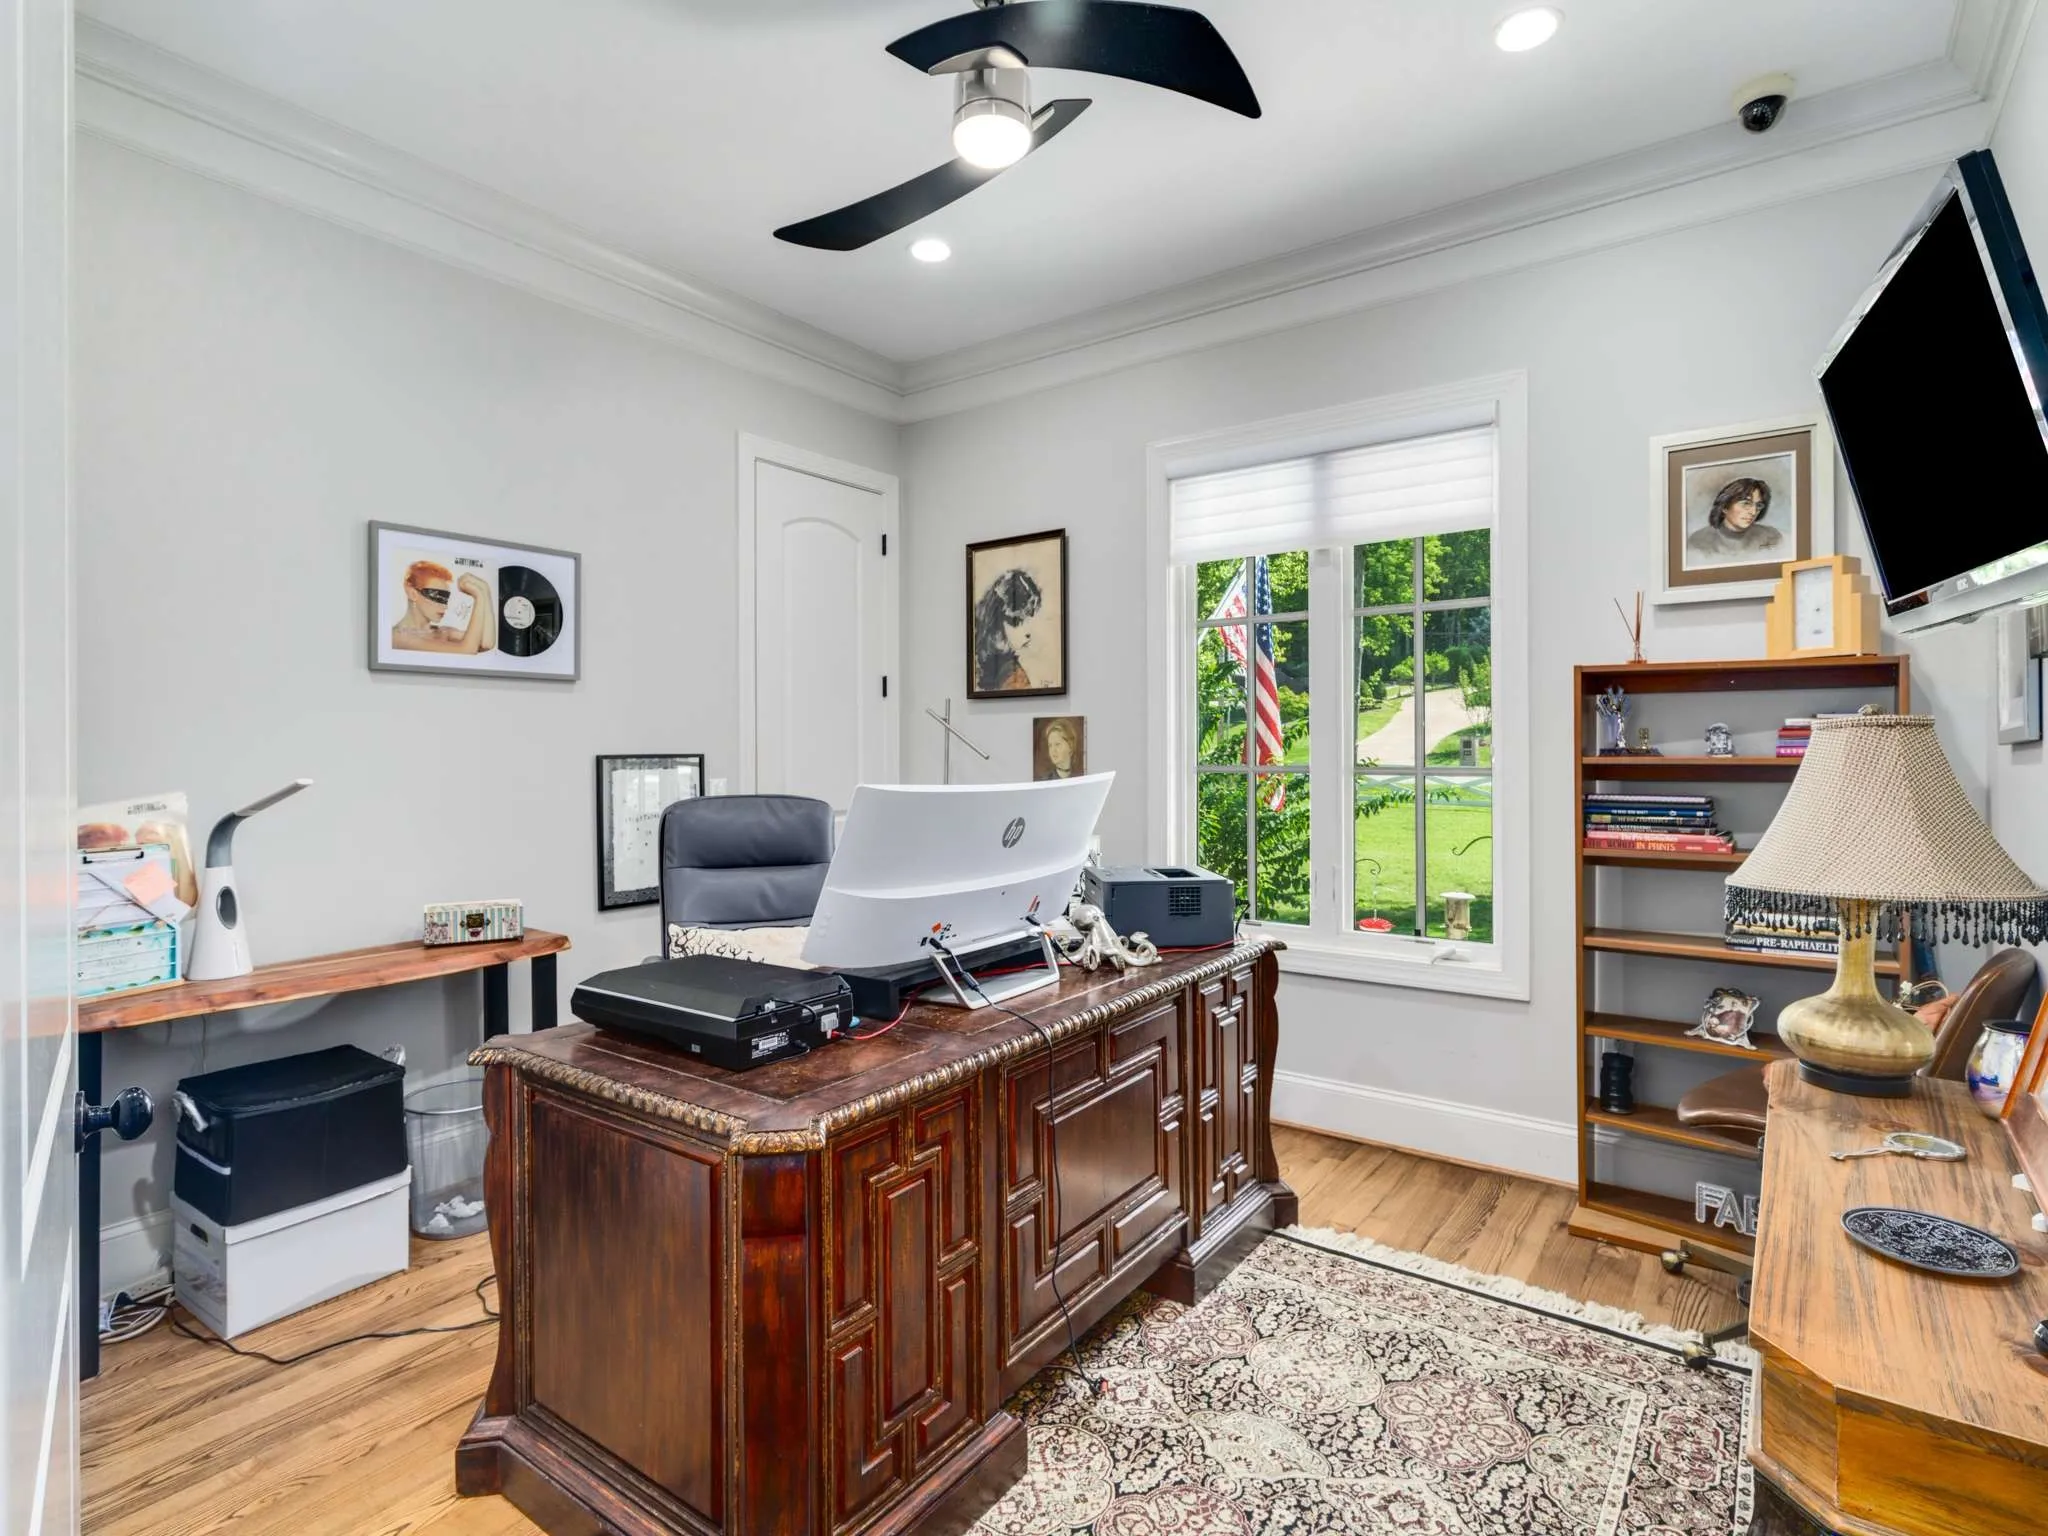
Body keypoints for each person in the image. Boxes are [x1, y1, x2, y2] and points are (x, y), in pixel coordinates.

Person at [392, 558, 496, 654]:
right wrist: (478, 595)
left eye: (445, 599)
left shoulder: (444, 632)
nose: (444, 606)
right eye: (437, 596)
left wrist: (485, 590)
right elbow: (467, 650)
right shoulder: (398, 637)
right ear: (412, 593)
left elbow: (486, 643)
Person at [972, 568, 1045, 692]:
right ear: (997, 620)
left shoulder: (1009, 668)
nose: (1028, 631)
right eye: (1017, 621)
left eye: (1030, 619)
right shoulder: (1013, 675)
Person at [1686, 476, 1784, 563]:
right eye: (1746, 503)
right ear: (1725, 507)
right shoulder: (1698, 541)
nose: (1753, 512)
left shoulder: (1770, 537)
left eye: (1758, 505)